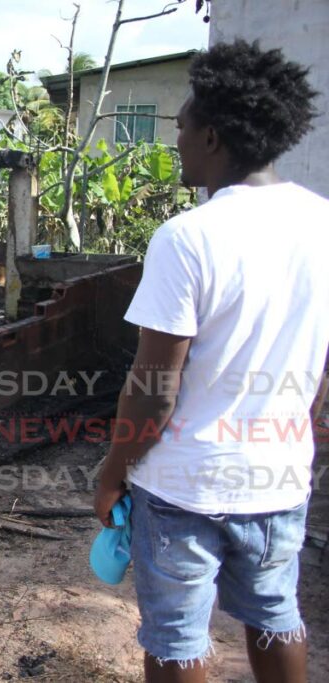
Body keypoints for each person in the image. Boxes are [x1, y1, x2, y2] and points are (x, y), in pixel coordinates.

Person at [93, 40, 328, 683]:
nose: (176, 142)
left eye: (182, 127)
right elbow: (319, 366)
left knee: (176, 639)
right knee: (277, 617)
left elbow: (153, 387)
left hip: (184, 488)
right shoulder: (323, 223)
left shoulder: (188, 238)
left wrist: (113, 470)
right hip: (280, 477)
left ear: (214, 136)